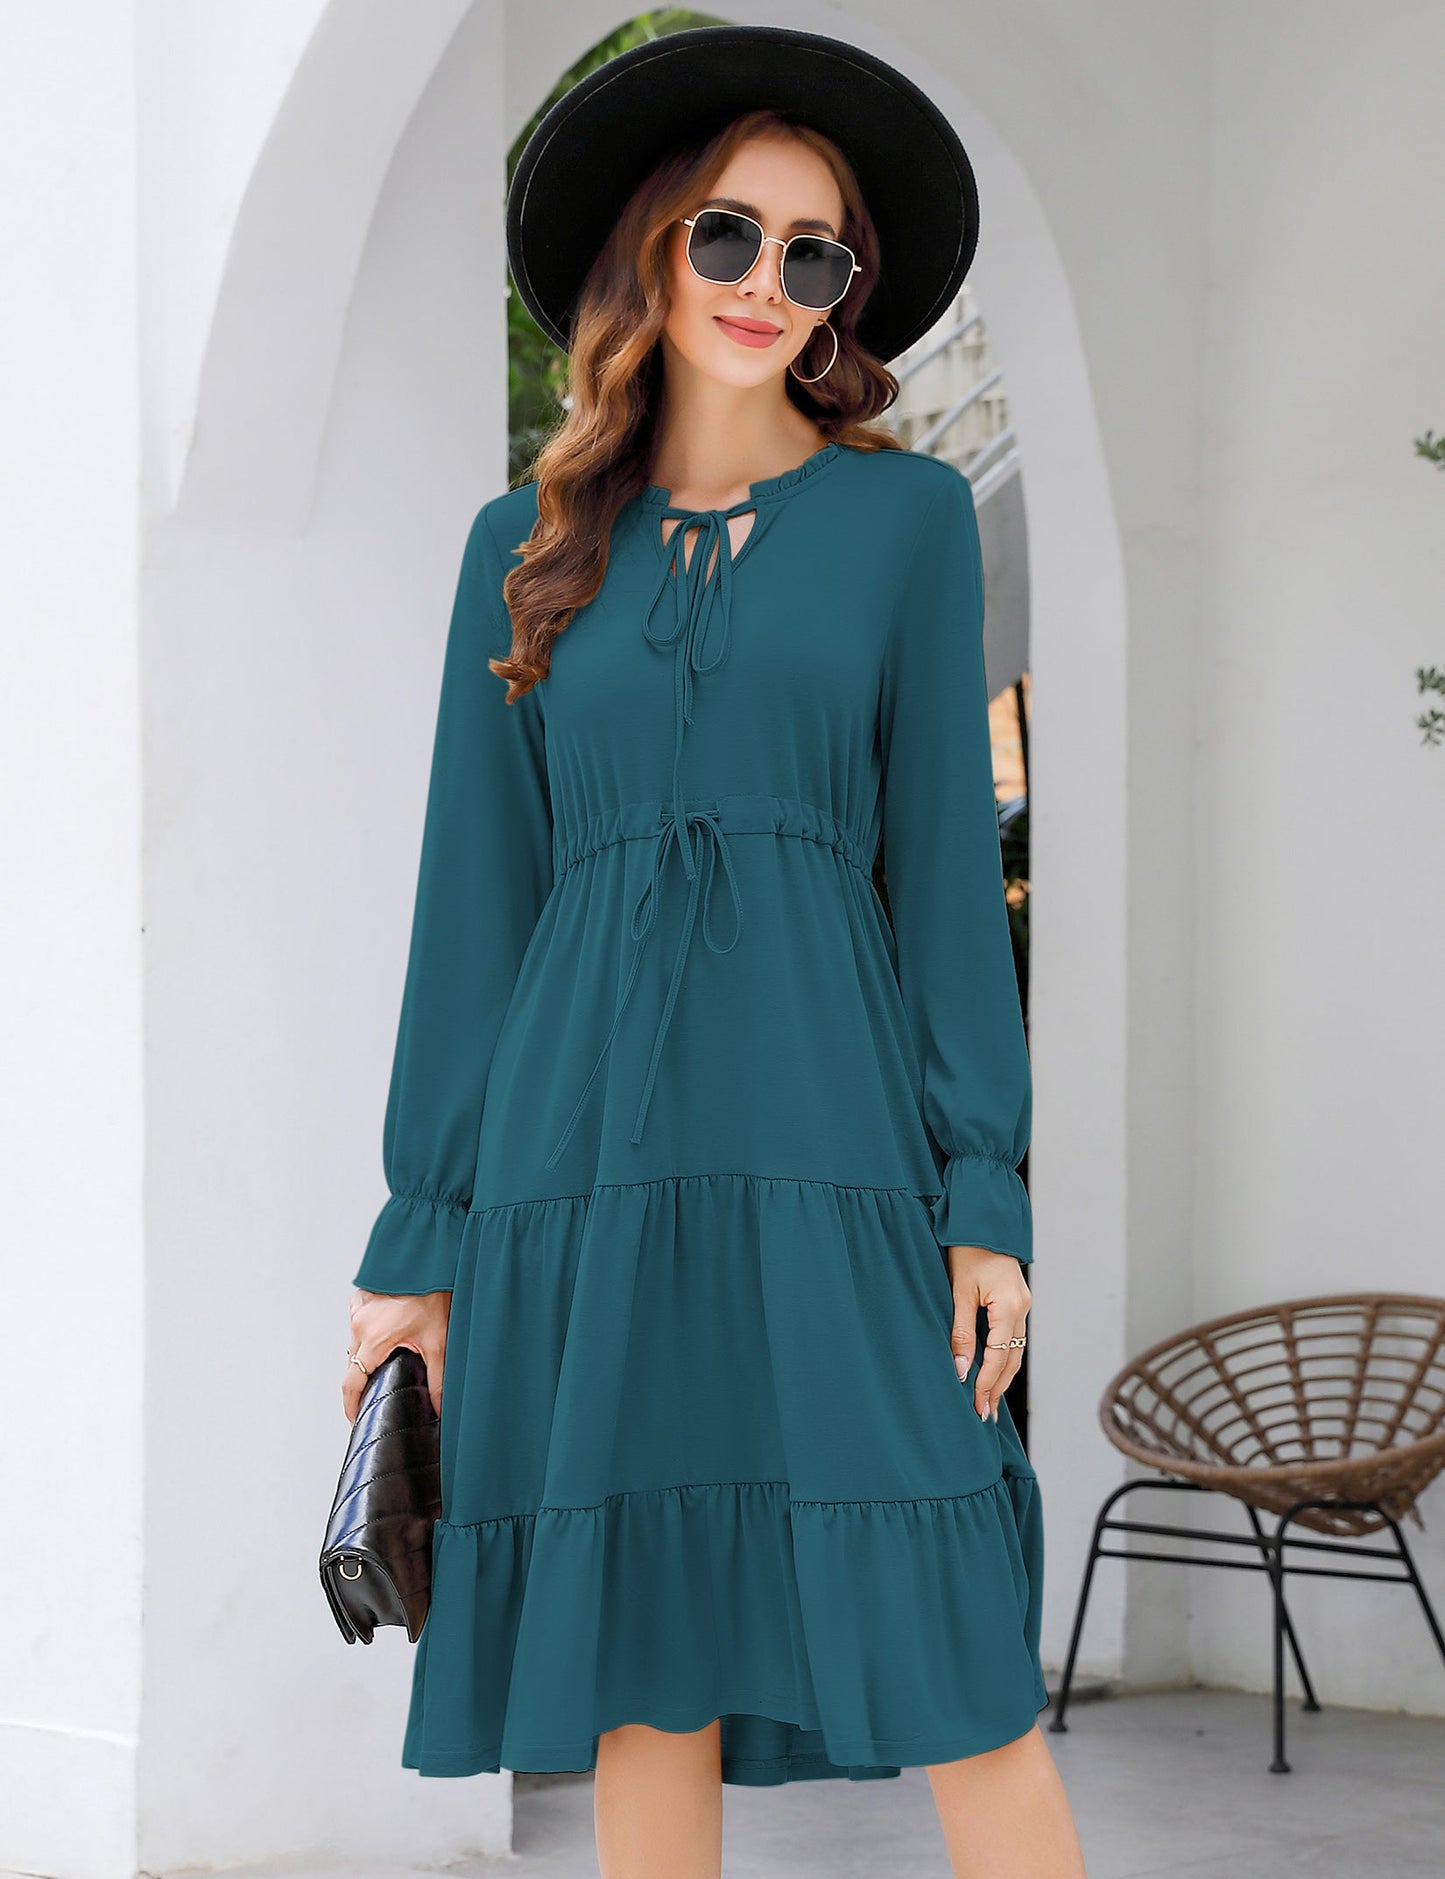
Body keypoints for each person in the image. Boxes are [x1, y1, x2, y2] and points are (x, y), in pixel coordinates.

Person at [342, 24, 1086, 1879]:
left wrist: (980, 1192)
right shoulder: (518, 549)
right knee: (639, 1666)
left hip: (834, 1147)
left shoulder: (904, 522)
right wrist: (416, 1243)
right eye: (730, 236)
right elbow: (473, 910)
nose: (767, 283)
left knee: (952, 1644)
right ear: (652, 253)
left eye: (812, 254)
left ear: (844, 296)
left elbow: (944, 879)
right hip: (576, 1166)